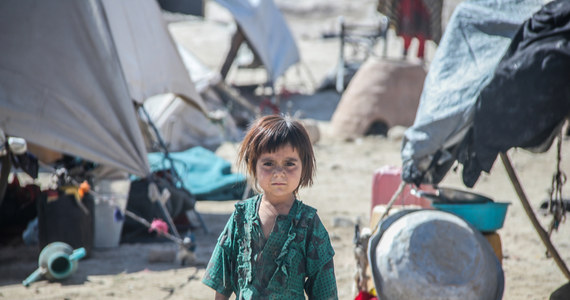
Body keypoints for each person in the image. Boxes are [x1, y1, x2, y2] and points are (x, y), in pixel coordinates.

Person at [202, 115, 338, 299]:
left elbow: (324, 290)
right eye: (268, 163)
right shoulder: (240, 218)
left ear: (303, 167)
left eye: (289, 164)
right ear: (253, 165)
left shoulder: (308, 223)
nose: (279, 173)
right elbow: (222, 282)